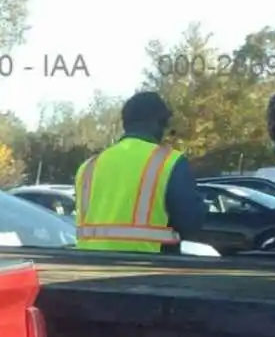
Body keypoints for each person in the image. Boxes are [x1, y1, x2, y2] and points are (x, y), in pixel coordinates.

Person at [73, 91, 204, 252]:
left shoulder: (88, 167)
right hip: (145, 269)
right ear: (158, 123)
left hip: (85, 269)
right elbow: (190, 223)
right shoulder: (169, 162)